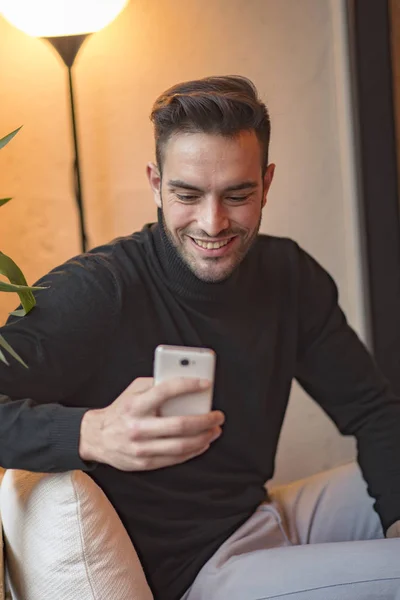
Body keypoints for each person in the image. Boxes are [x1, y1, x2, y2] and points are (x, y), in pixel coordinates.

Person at [0, 75, 399, 600]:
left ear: (267, 182)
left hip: (261, 517)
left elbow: (372, 410)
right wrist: (90, 433)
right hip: (200, 574)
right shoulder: (99, 289)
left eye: (238, 195)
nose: (212, 223)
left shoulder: (289, 275)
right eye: (187, 195)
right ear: (154, 182)